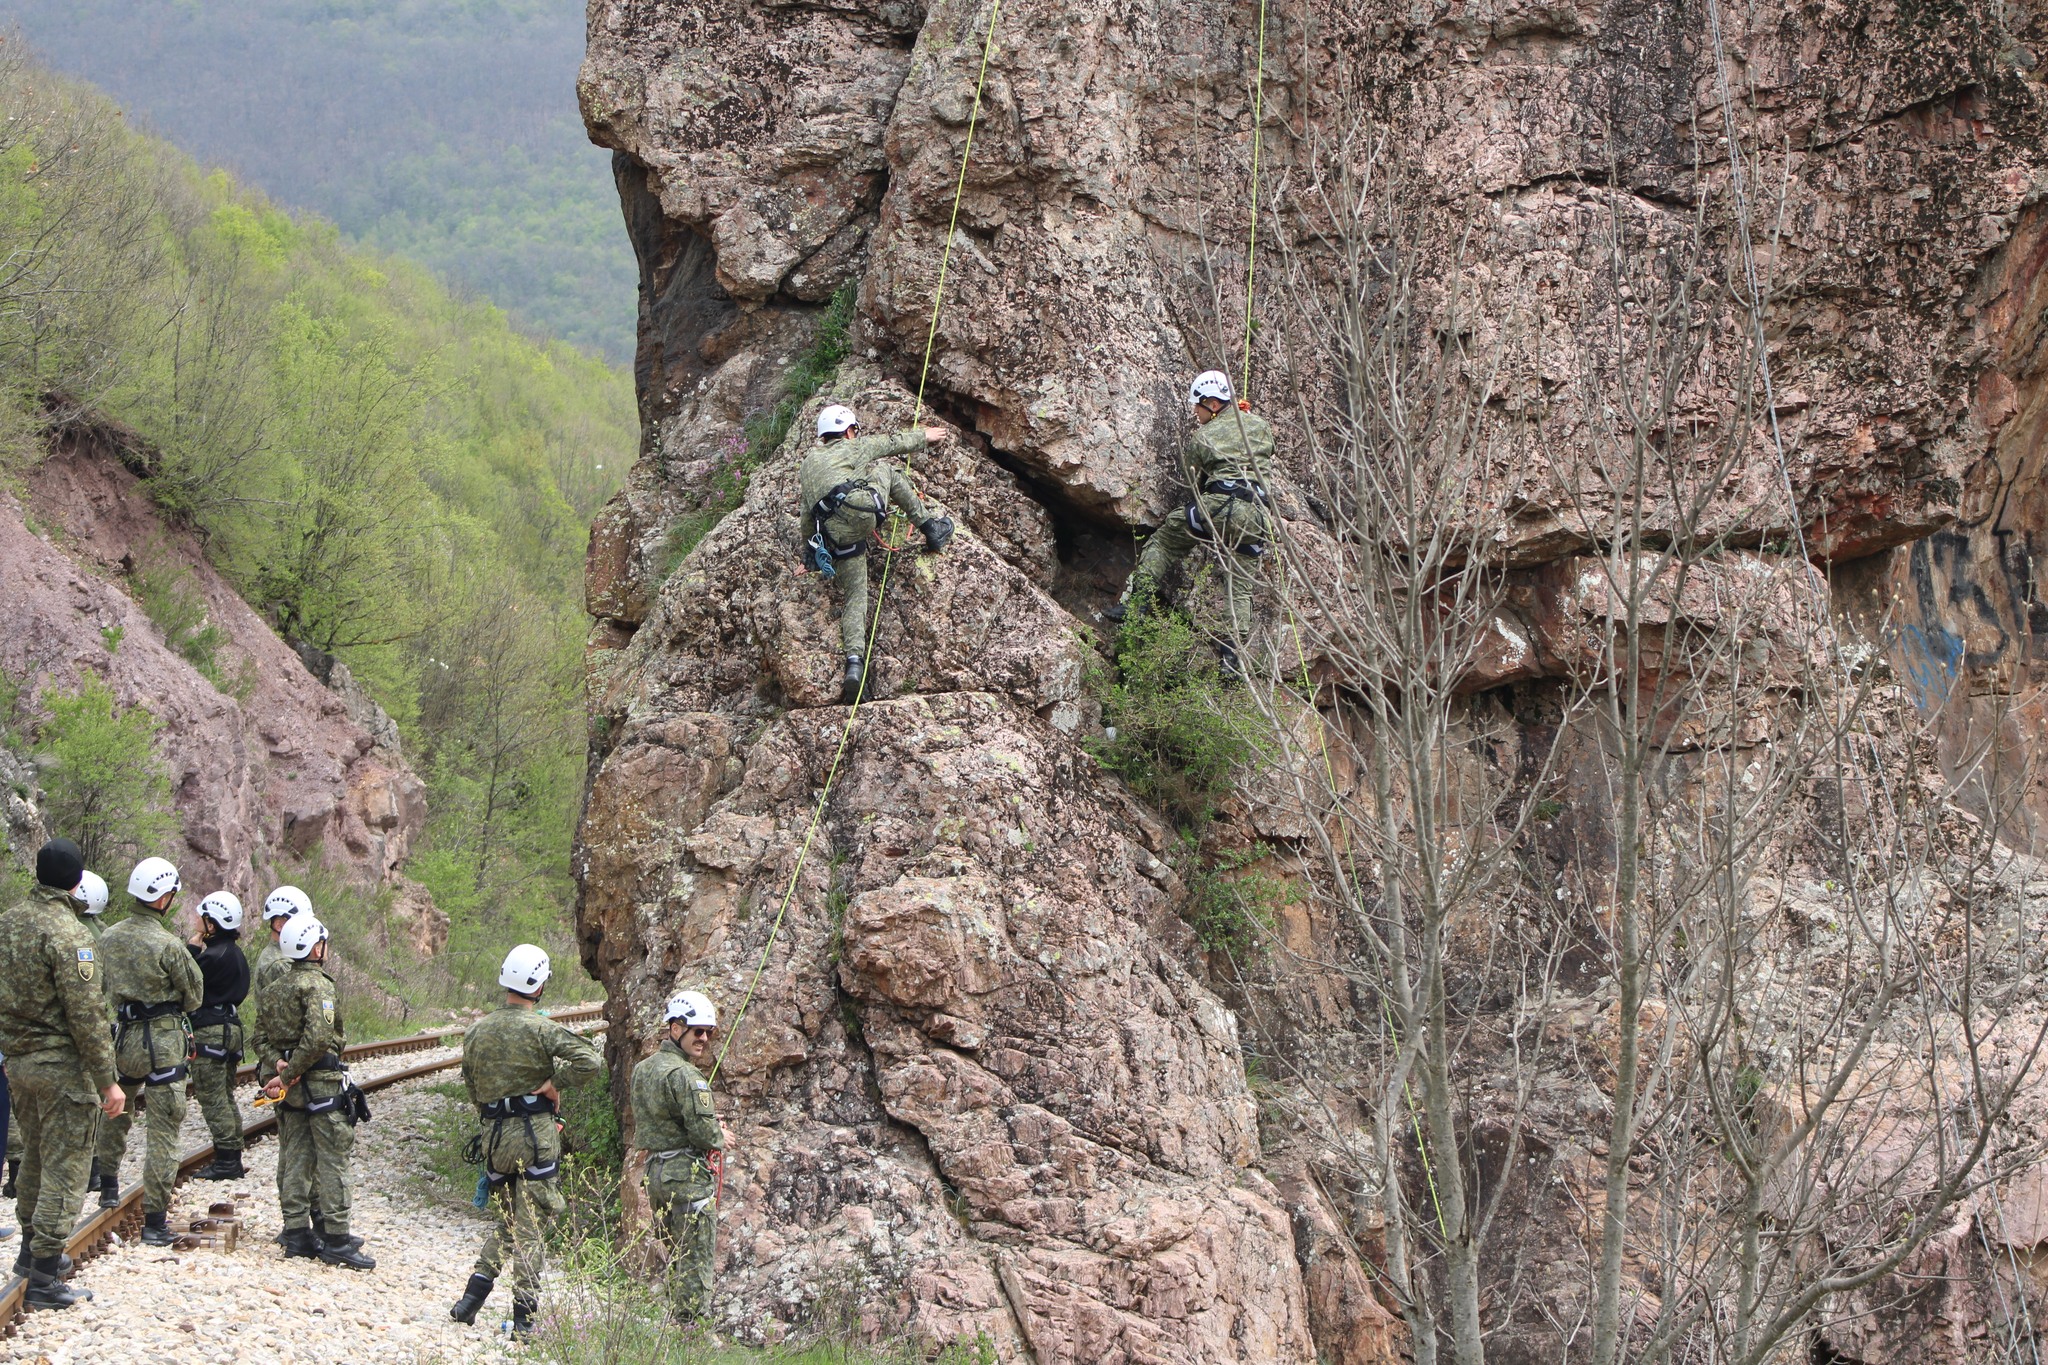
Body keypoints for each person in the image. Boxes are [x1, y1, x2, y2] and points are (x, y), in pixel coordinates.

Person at [450, 944, 603, 1336]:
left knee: (508, 1220)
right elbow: (590, 1061)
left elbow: (472, 1086)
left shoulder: (476, 1031)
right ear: (539, 986)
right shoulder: (540, 1028)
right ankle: (524, 1320)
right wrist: (554, 1085)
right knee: (531, 1227)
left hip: (494, 1141)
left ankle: (471, 1299)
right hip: (535, 1138)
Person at [0, 838, 124, 1310]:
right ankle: (46, 1275)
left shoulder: (8, 922)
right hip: (62, 1069)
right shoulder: (70, 936)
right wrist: (107, 1080)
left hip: (20, 1063)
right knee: (66, 1167)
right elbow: (87, 1016)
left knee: (32, 1156)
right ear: (76, 882)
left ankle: (29, 1253)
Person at [1106, 370, 1276, 675]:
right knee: (1240, 583)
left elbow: (1197, 483)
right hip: (1255, 517)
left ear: (1212, 403)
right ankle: (1232, 660)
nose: (1195, 413)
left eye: (1198, 406)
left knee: (1165, 540)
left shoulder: (1203, 436)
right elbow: (1264, 451)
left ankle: (1138, 605)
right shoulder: (1261, 425)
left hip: (1218, 506)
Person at [797, 403, 955, 704]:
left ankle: (854, 663)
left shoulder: (808, 464)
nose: (856, 435)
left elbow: (806, 516)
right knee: (887, 470)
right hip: (863, 515)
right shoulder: (852, 447)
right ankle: (931, 527)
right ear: (847, 431)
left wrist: (810, 558)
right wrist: (925, 436)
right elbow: (889, 444)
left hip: (834, 535)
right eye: (854, 430)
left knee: (856, 596)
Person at [98, 857, 204, 1246]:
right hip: (163, 1043)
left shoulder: (107, 938)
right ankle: (154, 1221)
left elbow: (99, 988)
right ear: (163, 898)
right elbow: (194, 996)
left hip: (124, 1038)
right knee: (163, 1131)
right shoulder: (168, 945)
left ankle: (107, 1184)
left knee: (116, 1112)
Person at [260, 914, 373, 1269]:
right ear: (314, 946)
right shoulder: (319, 986)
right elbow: (320, 1038)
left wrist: (279, 1065)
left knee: (295, 1156)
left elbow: (259, 1038)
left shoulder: (273, 989)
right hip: (321, 1085)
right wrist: (292, 1073)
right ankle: (336, 1238)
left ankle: (296, 1233)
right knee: (333, 1160)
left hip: (291, 1091)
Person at [630, 991, 726, 1326]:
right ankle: (692, 1331)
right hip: (685, 1177)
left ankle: (676, 1324)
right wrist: (720, 1134)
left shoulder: (641, 1070)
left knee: (677, 1252)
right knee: (695, 1257)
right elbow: (704, 1135)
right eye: (697, 1031)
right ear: (675, 1029)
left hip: (656, 1175)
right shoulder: (687, 1077)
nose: (704, 1038)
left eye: (709, 1032)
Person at [187, 891, 251, 1181]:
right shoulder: (234, 954)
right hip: (229, 1028)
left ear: (211, 923)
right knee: (224, 1094)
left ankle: (227, 1160)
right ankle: (232, 1152)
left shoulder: (211, 957)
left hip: (211, 1031)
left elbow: (186, 985)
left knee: (212, 1096)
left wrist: (191, 950)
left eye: (202, 917)